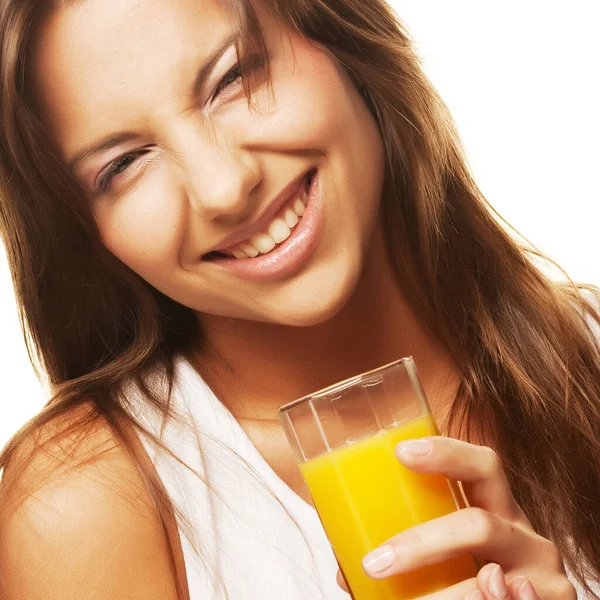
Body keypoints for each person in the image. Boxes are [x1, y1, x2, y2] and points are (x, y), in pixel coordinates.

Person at [0, 0, 598, 598]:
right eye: (124, 164)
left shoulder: (587, 352)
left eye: (234, 77)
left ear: (342, 37)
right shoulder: (83, 506)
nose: (223, 188)